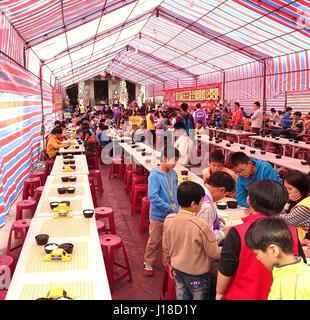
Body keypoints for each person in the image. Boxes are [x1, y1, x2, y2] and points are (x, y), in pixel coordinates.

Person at [216, 180, 305, 300]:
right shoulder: (291, 231)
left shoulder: (238, 232)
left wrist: (219, 293)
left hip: (242, 295)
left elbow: (226, 268)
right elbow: (300, 263)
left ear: (249, 201)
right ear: (281, 206)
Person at [163, 181, 221, 300]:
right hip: (197, 275)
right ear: (194, 204)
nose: (202, 203)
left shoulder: (169, 219)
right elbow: (213, 253)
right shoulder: (201, 225)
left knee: (182, 297)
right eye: (201, 201)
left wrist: (168, 261)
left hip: (177, 269)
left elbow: (166, 246)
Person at [245, 217, 310, 300]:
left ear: (274, 250)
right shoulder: (284, 270)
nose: (257, 258)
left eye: (257, 253)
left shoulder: (292, 285)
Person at [143, 147, 180, 276]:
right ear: (164, 159)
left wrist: (178, 206)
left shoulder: (173, 173)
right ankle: (148, 261)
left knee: (168, 240)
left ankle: (167, 262)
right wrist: (169, 207)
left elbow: (175, 191)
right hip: (157, 215)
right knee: (154, 240)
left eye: (176, 160)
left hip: (172, 214)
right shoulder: (154, 175)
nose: (175, 163)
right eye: (173, 160)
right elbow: (153, 196)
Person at [197, 171, 236, 244]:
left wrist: (214, 218)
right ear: (222, 190)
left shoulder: (199, 190)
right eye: (225, 195)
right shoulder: (206, 206)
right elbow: (206, 239)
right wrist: (224, 232)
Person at [277, 171, 310, 239]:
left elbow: (281, 220)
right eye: (284, 187)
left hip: (303, 243)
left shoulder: (303, 208)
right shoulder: (304, 198)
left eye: (289, 188)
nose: (285, 191)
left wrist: (287, 201)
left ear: (301, 188)